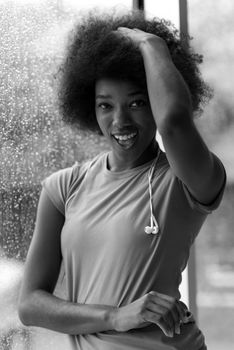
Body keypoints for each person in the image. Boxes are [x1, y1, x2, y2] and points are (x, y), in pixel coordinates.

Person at [18, 10, 226, 350]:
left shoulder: (186, 178)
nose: (120, 121)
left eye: (137, 102)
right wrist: (115, 316)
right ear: (89, 107)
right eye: (105, 105)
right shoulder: (63, 187)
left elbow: (174, 121)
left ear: (155, 102)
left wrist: (152, 45)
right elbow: (30, 306)